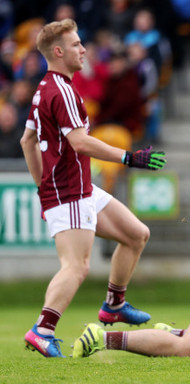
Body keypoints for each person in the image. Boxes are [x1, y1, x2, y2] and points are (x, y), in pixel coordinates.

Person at [20, 19, 166, 358]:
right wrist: (130, 157)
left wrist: (43, 184)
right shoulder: (61, 90)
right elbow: (80, 142)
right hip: (70, 189)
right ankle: (42, 330)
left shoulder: (44, 88)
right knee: (76, 266)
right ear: (58, 52)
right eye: (76, 45)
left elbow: (27, 140)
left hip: (76, 187)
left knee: (136, 234)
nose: (83, 50)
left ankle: (114, 305)